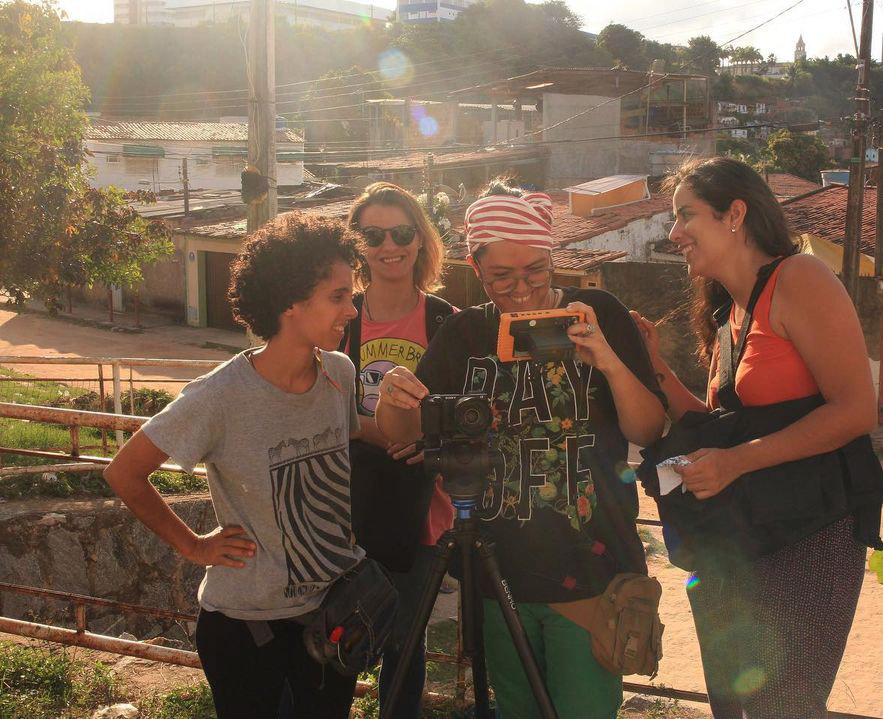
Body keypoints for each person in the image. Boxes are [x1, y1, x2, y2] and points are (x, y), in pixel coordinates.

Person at [375, 180, 667, 719]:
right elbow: (401, 432)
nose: (522, 290)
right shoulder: (464, 332)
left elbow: (648, 430)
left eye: (535, 271)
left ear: (553, 258)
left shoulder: (597, 312)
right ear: (474, 265)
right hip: (496, 570)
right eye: (500, 277)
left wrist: (607, 360)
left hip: (593, 569)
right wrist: (395, 394)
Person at [631, 156, 883, 719]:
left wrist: (735, 463)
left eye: (685, 215)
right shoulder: (728, 314)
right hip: (744, 533)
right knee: (736, 703)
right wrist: (652, 365)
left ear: (735, 215)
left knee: (784, 705)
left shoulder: (801, 278)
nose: (674, 234)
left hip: (810, 532)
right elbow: (721, 425)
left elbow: (855, 411)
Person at [104, 213, 366, 719]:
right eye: (338, 296)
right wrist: (193, 545)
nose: (352, 310)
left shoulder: (339, 373)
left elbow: (344, 458)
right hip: (247, 629)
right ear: (290, 302)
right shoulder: (220, 396)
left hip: (331, 615)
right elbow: (123, 472)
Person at [339, 182, 454, 719]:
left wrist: (429, 441)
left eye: (402, 233)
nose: (390, 245)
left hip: (422, 512)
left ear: (420, 239)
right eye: (374, 235)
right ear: (356, 245)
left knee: (406, 650)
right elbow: (322, 409)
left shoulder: (447, 322)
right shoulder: (340, 320)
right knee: (337, 641)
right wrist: (391, 434)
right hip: (346, 510)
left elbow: (463, 414)